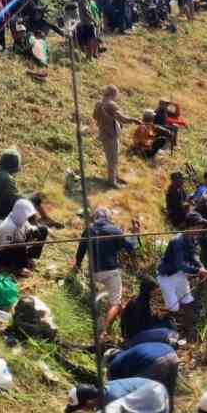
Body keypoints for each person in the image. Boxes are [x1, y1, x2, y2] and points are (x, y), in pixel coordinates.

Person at [75, 206, 138, 338]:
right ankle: (104, 330)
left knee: (105, 294)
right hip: (110, 272)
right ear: (109, 218)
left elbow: (81, 250)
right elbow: (130, 247)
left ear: (95, 217)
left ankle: (112, 314)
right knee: (114, 302)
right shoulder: (115, 230)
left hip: (93, 272)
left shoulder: (89, 229)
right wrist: (136, 232)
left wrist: (77, 266)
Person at [155, 217, 207, 316]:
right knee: (173, 308)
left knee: (187, 299)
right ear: (189, 226)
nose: (200, 230)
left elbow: (194, 256)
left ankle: (184, 320)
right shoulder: (177, 241)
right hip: (167, 276)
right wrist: (199, 271)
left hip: (179, 274)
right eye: (197, 227)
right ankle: (166, 318)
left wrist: (201, 267)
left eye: (201, 227)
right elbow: (180, 264)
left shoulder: (192, 238)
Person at [93, 85, 141, 187]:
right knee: (112, 159)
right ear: (113, 94)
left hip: (103, 133)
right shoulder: (111, 104)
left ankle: (115, 176)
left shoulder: (98, 103)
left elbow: (94, 117)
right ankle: (111, 181)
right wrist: (133, 120)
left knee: (113, 157)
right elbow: (122, 119)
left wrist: (103, 120)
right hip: (110, 135)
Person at [0, 198, 49, 276]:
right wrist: (25, 248)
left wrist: (34, 231)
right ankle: (19, 269)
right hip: (2, 255)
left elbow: (29, 228)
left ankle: (30, 257)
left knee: (43, 230)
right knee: (19, 245)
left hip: (19, 248)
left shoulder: (20, 219)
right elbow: (7, 247)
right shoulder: (8, 226)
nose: (29, 216)